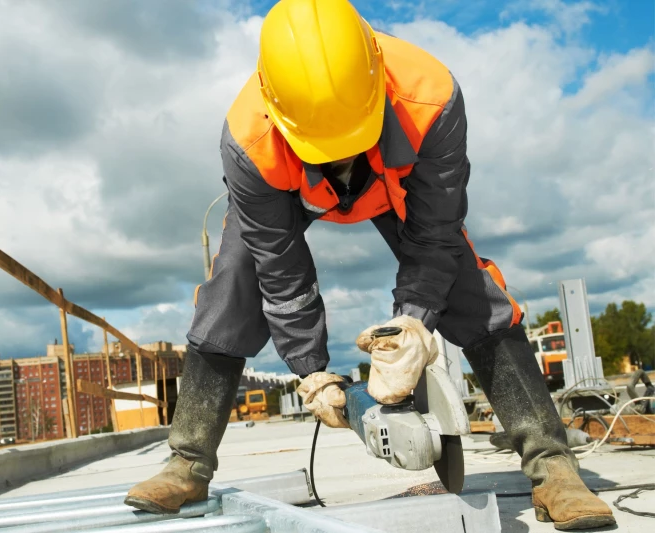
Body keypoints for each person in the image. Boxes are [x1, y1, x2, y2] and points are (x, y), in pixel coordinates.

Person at [124, 0, 615, 529]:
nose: (339, 158)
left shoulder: (431, 97)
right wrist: (311, 372)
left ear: (378, 79)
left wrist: (409, 327)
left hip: (393, 185)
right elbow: (282, 272)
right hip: (287, 193)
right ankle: (188, 462)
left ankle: (552, 466)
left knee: (472, 290)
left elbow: (435, 234)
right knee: (233, 289)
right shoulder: (249, 140)